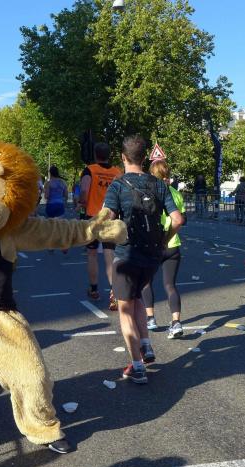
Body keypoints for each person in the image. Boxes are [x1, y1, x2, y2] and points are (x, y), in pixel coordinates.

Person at [103, 136, 183, 384]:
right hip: (152, 256)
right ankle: (146, 344)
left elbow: (107, 217)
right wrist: (163, 240)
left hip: (127, 256)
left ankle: (137, 366)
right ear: (144, 157)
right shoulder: (159, 185)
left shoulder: (118, 185)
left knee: (125, 311)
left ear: (123, 157)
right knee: (137, 299)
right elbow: (178, 219)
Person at [141, 160, 186, 339]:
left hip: (154, 243)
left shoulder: (148, 193)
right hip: (172, 244)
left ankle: (150, 318)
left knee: (146, 282)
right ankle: (176, 322)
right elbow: (181, 219)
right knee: (170, 285)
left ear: (152, 175)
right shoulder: (176, 194)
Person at [79, 142, 123, 309]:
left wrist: (81, 203)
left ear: (95, 155)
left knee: (91, 254)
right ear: (109, 155)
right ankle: (114, 292)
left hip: (93, 217)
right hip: (110, 216)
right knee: (109, 254)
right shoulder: (117, 172)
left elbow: (84, 191)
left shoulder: (89, 170)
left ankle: (94, 289)